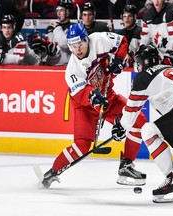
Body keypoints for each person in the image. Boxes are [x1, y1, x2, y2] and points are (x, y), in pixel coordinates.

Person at [40, 23, 147, 189]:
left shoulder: (99, 40)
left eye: (80, 44)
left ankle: (126, 165)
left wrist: (119, 60)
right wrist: (95, 98)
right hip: (85, 107)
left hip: (108, 97)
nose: (78, 49)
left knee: (138, 120)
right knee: (82, 145)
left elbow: (123, 42)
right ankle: (53, 172)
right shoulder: (72, 70)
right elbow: (82, 94)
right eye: (73, 46)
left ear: (86, 40)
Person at [112, 44, 173, 203]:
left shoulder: (143, 77)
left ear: (142, 63)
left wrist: (120, 126)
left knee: (148, 131)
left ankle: (172, 179)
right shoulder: (167, 69)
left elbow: (131, 112)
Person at [139, 0, 173, 67]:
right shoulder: (147, 15)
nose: (156, 1)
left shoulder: (172, 11)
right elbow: (145, 37)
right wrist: (141, 48)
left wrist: (169, 53)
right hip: (163, 56)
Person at [32, 0, 74, 65]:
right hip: (50, 65)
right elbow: (50, 48)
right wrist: (42, 49)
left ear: (68, 12)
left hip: (65, 66)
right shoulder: (50, 27)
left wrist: (57, 28)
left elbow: (64, 44)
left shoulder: (73, 27)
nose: (58, 13)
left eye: (61, 10)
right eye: (57, 10)